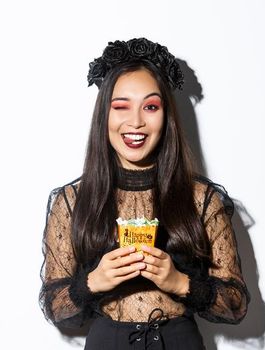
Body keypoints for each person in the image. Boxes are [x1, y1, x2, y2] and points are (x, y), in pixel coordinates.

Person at [39, 37, 249, 350]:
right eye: (121, 107)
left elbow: (236, 304)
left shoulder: (201, 198)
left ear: (167, 117)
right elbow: (54, 306)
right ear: (104, 117)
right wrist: (93, 282)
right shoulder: (72, 201)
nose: (135, 121)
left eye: (150, 107)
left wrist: (179, 282)